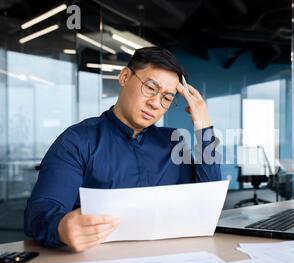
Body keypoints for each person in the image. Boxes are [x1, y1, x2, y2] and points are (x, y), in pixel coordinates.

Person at [24, 47, 221, 252]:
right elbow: (39, 212)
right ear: (125, 77)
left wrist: (203, 124)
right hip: (98, 262)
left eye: (166, 98)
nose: (155, 103)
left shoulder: (173, 142)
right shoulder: (78, 141)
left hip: (167, 259)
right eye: (150, 88)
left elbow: (207, 205)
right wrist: (62, 228)